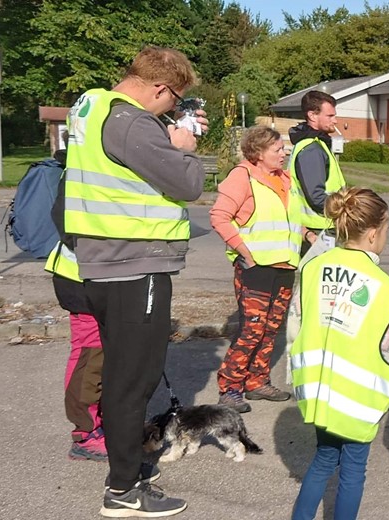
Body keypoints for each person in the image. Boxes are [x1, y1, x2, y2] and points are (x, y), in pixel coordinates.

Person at [62, 46, 206, 517]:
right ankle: (123, 489)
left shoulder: (94, 106)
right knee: (133, 380)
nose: (174, 109)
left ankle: (128, 470)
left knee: (124, 375)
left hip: (104, 261)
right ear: (160, 88)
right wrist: (184, 149)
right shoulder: (132, 123)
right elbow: (187, 185)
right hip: (133, 265)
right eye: (174, 100)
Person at [289, 187, 389, 520]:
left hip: (320, 389)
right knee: (354, 469)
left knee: (324, 459)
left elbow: (297, 323)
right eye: (386, 231)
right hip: (358, 396)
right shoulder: (384, 287)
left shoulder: (313, 268)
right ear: (373, 235)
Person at [210, 126, 302, 413]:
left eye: (283, 148)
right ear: (258, 153)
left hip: (284, 266)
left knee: (271, 329)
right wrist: (245, 252)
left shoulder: (284, 179)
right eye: (277, 149)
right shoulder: (242, 177)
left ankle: (257, 381)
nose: (284, 153)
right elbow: (219, 217)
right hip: (256, 268)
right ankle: (229, 387)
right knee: (252, 329)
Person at [44, 241, 106, 462]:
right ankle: (86, 434)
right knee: (91, 358)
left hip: (90, 274)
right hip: (82, 277)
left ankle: (96, 426)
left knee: (94, 355)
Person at [288, 90, 346, 257]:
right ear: (312, 115)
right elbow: (316, 197)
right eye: (330, 116)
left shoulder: (316, 144)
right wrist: (347, 210)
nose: (335, 120)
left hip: (321, 227)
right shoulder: (311, 149)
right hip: (318, 230)